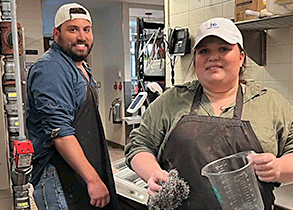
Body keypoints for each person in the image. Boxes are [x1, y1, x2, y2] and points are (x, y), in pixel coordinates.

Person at [124, 17, 293, 209]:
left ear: (241, 57)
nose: (213, 57)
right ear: (195, 61)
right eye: (204, 51)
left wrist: (279, 168)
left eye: (224, 49)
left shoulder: (270, 103)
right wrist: (152, 173)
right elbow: (139, 145)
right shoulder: (171, 101)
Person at [26, 3, 120, 209]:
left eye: (86, 30)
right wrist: (93, 179)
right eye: (73, 29)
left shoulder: (80, 67)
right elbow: (60, 133)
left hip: (78, 172)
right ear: (56, 34)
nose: (81, 37)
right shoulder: (50, 69)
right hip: (58, 177)